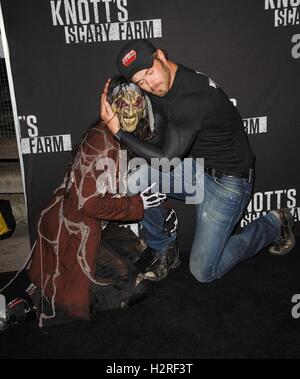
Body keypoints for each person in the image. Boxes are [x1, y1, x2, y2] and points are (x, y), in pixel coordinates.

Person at [101, 39, 295, 284]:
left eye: (150, 73)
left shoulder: (191, 98)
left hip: (229, 185)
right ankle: (164, 247)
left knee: (204, 271)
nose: (150, 84)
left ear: (160, 55)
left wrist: (119, 132)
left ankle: (274, 224)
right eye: (141, 82)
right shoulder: (163, 87)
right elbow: (160, 141)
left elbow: (166, 159)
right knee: (135, 179)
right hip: (199, 171)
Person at [0, 77, 178, 330]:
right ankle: (34, 303)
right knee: (137, 289)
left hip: (97, 225)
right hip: (74, 227)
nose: (129, 112)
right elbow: (89, 204)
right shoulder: (101, 141)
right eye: (121, 105)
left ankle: (61, 283)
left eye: (135, 104)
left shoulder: (122, 138)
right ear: (109, 108)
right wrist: (138, 204)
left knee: (139, 252)